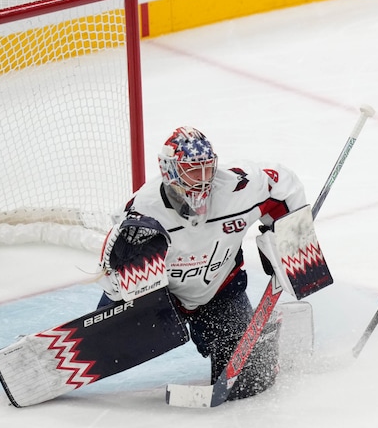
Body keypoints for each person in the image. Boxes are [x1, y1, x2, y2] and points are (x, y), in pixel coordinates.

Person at [96, 126, 308, 400]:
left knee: (249, 380)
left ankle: (273, 329)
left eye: (208, 168)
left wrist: (295, 245)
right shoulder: (144, 211)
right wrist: (118, 288)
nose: (205, 179)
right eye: (193, 170)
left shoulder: (237, 188)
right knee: (106, 344)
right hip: (162, 300)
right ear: (170, 171)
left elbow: (283, 184)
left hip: (219, 293)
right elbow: (117, 275)